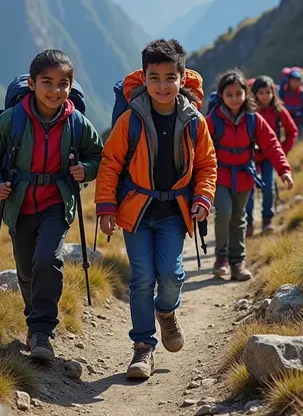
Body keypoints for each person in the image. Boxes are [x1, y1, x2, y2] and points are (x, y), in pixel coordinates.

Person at [95, 39, 217, 381]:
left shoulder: (194, 121)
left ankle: (166, 311)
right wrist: (106, 206)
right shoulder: (130, 120)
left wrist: (203, 197)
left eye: (169, 77)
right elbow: (110, 163)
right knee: (141, 277)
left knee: (172, 275)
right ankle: (143, 348)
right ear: (144, 78)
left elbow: (207, 164)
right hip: (137, 211)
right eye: (154, 77)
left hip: (174, 211)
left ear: (182, 78)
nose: (162, 85)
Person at [0, 49, 103, 362]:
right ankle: (34, 318)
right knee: (26, 268)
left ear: (70, 87)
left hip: (56, 204)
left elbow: (98, 155)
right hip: (19, 204)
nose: (55, 90)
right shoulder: (12, 120)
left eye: (63, 83)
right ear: (31, 83)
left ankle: (42, 332)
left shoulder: (76, 123)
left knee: (47, 258)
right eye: (47, 82)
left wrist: (85, 170)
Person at [206, 69, 294, 281]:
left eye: (239, 93)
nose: (235, 98)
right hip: (220, 175)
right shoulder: (212, 121)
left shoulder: (254, 120)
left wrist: (284, 170)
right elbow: (198, 148)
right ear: (221, 96)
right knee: (224, 213)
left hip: (244, 175)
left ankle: (238, 263)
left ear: (246, 94)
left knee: (239, 218)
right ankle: (221, 258)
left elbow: (272, 145)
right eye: (229, 94)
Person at [246, 76, 298, 236]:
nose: (265, 96)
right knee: (248, 190)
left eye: (268, 92)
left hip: (269, 157)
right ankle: (248, 223)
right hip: (250, 157)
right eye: (261, 92)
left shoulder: (279, 111)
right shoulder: (248, 112)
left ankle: (267, 220)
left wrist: (282, 151)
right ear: (254, 94)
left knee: (268, 186)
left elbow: (292, 131)